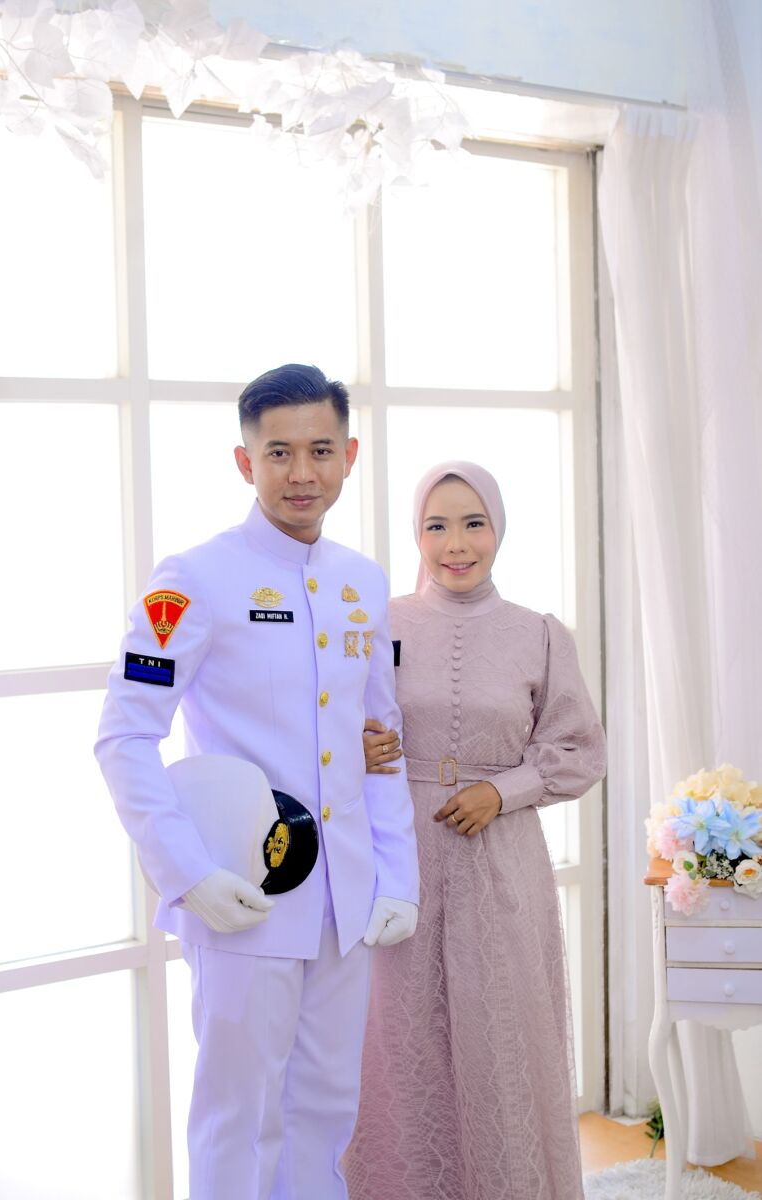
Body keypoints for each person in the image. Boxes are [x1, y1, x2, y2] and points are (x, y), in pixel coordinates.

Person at [94, 364, 419, 1200]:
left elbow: (380, 743)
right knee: (237, 1118)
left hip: (345, 899)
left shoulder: (362, 581)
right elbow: (124, 735)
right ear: (245, 462)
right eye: (278, 453)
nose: (301, 472)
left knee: (325, 1110)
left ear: (349, 455)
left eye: (320, 450)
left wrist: (397, 875)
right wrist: (187, 873)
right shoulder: (191, 579)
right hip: (242, 891)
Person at [346, 461, 607, 1200]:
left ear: (498, 529)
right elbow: (329, 723)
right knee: (397, 1043)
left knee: (502, 1037)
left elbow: (580, 750)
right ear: (416, 534)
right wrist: (355, 748)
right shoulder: (377, 624)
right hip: (400, 857)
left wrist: (503, 790)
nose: (455, 544)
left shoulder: (540, 634)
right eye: (436, 526)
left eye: (472, 524)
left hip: (501, 862)